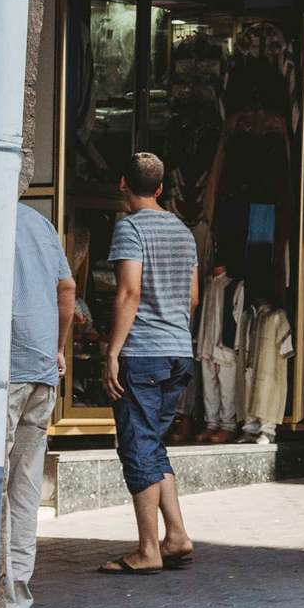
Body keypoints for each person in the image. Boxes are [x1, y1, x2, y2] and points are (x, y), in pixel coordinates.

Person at [101, 151, 199, 575]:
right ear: (160, 188)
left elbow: (128, 293)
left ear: (123, 183)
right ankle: (175, 535)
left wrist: (112, 352)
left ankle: (147, 550)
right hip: (179, 349)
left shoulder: (129, 228)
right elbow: (193, 298)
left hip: (142, 352)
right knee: (154, 443)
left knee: (137, 447)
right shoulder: (183, 230)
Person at [5, 198, 75, 608]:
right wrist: (57, 347)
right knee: (26, 487)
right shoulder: (37, 221)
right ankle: (17, 600)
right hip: (41, 371)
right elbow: (66, 289)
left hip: (4, 369)